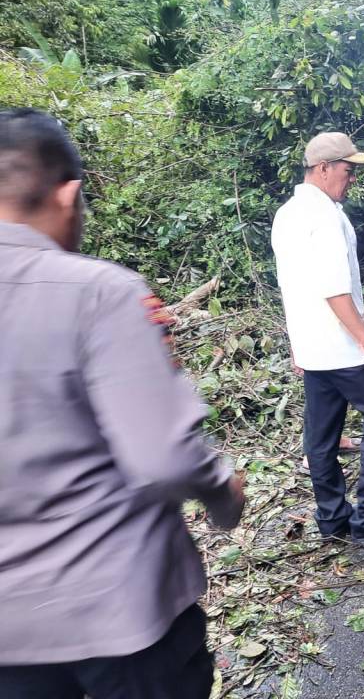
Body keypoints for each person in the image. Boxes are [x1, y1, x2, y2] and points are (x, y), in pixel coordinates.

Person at [0, 108, 246, 698]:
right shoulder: (98, 293)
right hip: (122, 616)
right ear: (69, 194)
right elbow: (163, 457)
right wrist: (224, 489)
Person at [272, 131, 364, 550]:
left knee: (321, 435)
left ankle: (333, 517)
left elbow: (292, 287)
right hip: (342, 346)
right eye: (347, 169)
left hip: (314, 348)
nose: (352, 177)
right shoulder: (323, 216)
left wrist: (297, 343)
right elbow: (332, 287)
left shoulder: (287, 213)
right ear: (323, 169)